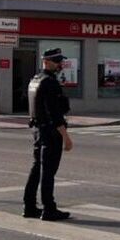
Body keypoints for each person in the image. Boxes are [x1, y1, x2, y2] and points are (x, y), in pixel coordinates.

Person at [24, 48, 73, 221]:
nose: (60, 64)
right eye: (57, 61)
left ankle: (29, 206)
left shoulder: (35, 80)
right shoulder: (49, 82)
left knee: (37, 167)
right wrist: (66, 137)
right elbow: (55, 113)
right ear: (47, 62)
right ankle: (49, 208)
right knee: (48, 171)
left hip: (38, 129)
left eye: (60, 60)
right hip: (50, 131)